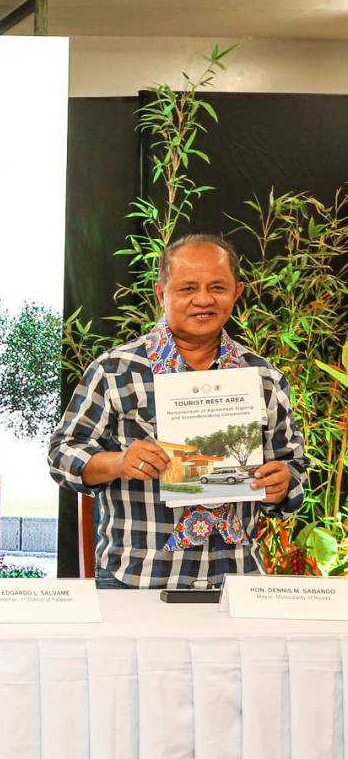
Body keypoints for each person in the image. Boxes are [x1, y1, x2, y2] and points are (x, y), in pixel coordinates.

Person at [49, 234, 305, 589]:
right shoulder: (116, 370)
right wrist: (119, 462)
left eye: (217, 287)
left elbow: (293, 468)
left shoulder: (263, 377)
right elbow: (62, 455)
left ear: (237, 293)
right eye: (187, 288)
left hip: (236, 581)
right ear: (161, 293)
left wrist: (282, 483)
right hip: (136, 578)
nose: (203, 299)